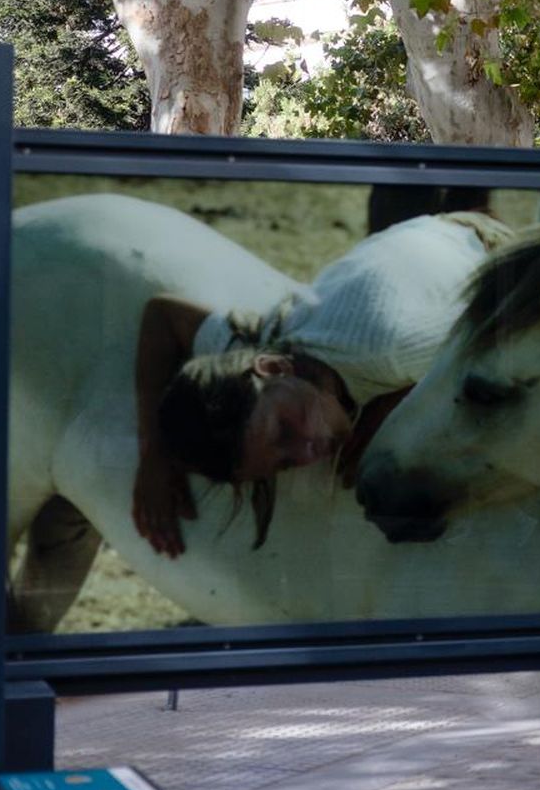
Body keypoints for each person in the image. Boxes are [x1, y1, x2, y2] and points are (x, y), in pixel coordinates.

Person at [132, 211, 511, 557]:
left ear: (274, 366)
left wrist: (398, 398)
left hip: (479, 242)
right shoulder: (257, 359)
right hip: (402, 252)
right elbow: (162, 316)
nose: (309, 450)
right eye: (285, 463)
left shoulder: (393, 351)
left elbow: (498, 340)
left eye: (285, 429)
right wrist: (157, 454)